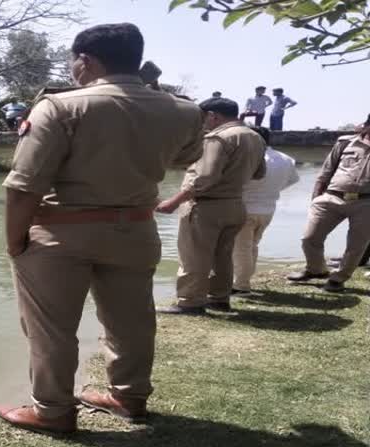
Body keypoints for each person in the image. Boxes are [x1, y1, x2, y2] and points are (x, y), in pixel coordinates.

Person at [0, 23, 205, 435]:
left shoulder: (59, 106)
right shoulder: (184, 110)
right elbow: (186, 158)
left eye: (74, 61)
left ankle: (53, 411)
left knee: (52, 329)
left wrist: (15, 243)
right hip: (136, 229)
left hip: (61, 234)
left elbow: (24, 187)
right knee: (131, 320)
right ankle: (128, 397)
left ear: (86, 60)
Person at [156, 97, 266, 315]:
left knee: (193, 255)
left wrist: (174, 201)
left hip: (207, 207)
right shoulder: (255, 137)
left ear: (213, 115)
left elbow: (205, 177)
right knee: (222, 256)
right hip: (235, 204)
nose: (202, 124)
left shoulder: (218, 138)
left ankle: (189, 302)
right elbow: (259, 173)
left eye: (203, 118)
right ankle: (219, 299)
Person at [286, 114, 370, 292]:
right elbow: (326, 171)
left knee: (356, 246)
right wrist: (316, 198)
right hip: (332, 197)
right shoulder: (345, 143)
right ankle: (316, 270)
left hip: (366, 202)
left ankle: (338, 279)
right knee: (310, 237)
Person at [232, 127, 299, 296]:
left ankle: (241, 286)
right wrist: (270, 192)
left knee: (241, 249)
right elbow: (292, 180)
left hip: (244, 208)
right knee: (252, 246)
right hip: (268, 209)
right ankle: (244, 281)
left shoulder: (248, 158)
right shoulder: (286, 159)